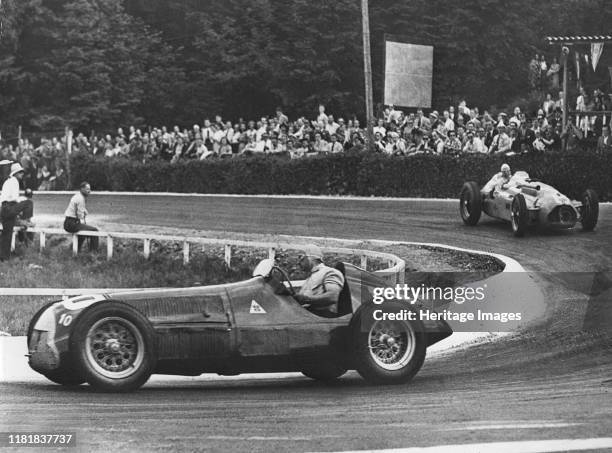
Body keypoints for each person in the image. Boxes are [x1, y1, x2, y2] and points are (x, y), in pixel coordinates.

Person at [293, 245, 345, 318]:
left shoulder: (330, 272)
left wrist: (306, 299)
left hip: (321, 317)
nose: (298, 262)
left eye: (301, 258)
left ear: (312, 258)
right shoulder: (310, 278)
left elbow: (333, 296)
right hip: (306, 316)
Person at [0, 163, 34, 261]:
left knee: (7, 234)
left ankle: (3, 257)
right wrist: (21, 201)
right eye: (20, 172)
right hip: (9, 207)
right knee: (28, 202)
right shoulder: (15, 181)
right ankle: (26, 220)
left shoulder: (7, 181)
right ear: (15, 173)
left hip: (4, 209)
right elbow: (14, 199)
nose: (22, 174)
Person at [63, 182, 99, 252]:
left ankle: (74, 250)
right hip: (72, 223)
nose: (89, 191)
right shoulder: (80, 199)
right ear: (82, 189)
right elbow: (80, 215)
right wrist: (83, 214)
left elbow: (77, 208)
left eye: (90, 189)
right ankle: (94, 252)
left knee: (82, 234)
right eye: (87, 189)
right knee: (95, 230)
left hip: (68, 222)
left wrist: (83, 211)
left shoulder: (77, 196)